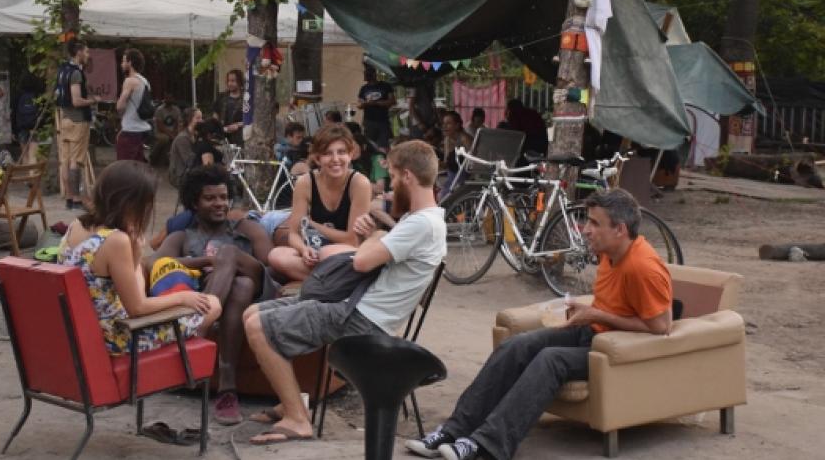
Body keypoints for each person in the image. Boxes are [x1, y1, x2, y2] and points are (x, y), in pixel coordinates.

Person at [405, 189, 672, 460]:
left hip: (612, 350)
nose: (585, 230)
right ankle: (454, 430)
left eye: (595, 223)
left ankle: (486, 445)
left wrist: (598, 316)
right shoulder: (608, 250)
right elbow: (612, 302)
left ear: (620, 230)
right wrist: (586, 311)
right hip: (591, 332)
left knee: (550, 359)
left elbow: (661, 327)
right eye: (587, 221)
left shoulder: (643, 267)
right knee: (516, 345)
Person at [243, 139, 447, 444]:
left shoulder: (421, 224)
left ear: (407, 175)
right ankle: (294, 401)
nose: (389, 186)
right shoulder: (421, 220)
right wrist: (375, 232)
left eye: (391, 176)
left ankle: (298, 419)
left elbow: (363, 261)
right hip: (356, 308)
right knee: (253, 312)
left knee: (258, 327)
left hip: (363, 319)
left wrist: (372, 233)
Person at [148, 164, 279, 425]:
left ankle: (198, 327)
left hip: (258, 293)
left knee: (230, 256)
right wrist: (207, 264)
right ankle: (227, 391)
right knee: (238, 286)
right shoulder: (182, 236)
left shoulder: (246, 229)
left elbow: (272, 267)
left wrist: (224, 261)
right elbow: (152, 264)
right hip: (230, 297)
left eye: (223, 197)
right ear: (194, 203)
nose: (219, 203)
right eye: (210, 198)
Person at [59, 160, 221, 358]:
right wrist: (182, 297)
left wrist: (134, 248)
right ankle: (188, 363)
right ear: (132, 203)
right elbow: (137, 307)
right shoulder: (116, 241)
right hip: (116, 336)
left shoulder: (76, 225)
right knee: (211, 304)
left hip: (83, 330)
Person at [267, 124, 372, 284]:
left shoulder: (359, 183)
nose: (335, 159)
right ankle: (332, 283)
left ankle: (323, 282)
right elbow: (294, 233)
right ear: (317, 158)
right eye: (328, 153)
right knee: (276, 255)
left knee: (328, 253)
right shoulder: (306, 182)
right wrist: (303, 250)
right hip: (317, 253)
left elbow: (352, 240)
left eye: (341, 152)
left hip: (347, 254)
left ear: (351, 154)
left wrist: (313, 225)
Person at [57, 39, 100, 210]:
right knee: (75, 161)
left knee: (66, 161)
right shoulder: (75, 73)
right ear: (79, 52)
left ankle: (68, 197)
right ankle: (75, 198)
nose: (88, 55)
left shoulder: (62, 70)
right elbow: (76, 100)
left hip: (65, 119)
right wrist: (92, 100)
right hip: (77, 120)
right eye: (87, 52)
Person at [115, 48, 152, 163]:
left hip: (130, 130)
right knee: (138, 166)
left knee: (124, 167)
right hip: (142, 129)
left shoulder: (129, 81)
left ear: (130, 63)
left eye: (123, 61)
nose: (121, 64)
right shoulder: (144, 81)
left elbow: (120, 106)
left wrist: (121, 115)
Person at [357, 65, 396, 149]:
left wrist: (376, 103)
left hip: (383, 121)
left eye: (368, 73)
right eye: (365, 73)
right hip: (368, 121)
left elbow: (392, 101)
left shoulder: (385, 86)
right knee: (370, 145)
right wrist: (366, 104)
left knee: (384, 146)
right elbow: (359, 105)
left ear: (374, 74)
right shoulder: (364, 88)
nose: (366, 75)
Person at [440, 111, 473, 200]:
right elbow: (447, 163)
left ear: (457, 125)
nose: (444, 126)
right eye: (444, 123)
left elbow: (474, 162)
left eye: (448, 123)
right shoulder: (447, 139)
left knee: (444, 197)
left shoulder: (465, 139)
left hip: (464, 177)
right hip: (453, 176)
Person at [14, 72, 46, 165]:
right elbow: (42, 112)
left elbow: (14, 113)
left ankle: (25, 179)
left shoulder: (18, 96)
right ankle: (32, 177)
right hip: (34, 127)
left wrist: (15, 130)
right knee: (33, 155)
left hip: (22, 128)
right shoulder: (37, 96)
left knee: (24, 155)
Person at [168, 107, 202, 190]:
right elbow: (189, 161)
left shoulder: (194, 135)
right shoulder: (182, 138)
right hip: (180, 175)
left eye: (201, 118)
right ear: (189, 119)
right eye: (198, 118)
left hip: (188, 171)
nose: (201, 121)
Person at [213, 69, 245, 146]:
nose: (230, 83)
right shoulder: (221, 97)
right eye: (228, 81)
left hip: (240, 138)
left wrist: (238, 125)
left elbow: (251, 119)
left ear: (240, 81)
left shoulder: (246, 99)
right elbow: (215, 117)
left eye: (233, 81)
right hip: (222, 137)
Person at [151, 96, 182, 166]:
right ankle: (153, 155)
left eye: (171, 98)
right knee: (165, 139)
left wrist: (175, 132)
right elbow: (160, 126)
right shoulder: (159, 110)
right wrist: (171, 135)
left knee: (181, 137)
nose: (169, 99)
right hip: (160, 132)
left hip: (172, 132)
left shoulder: (176, 110)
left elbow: (177, 123)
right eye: (167, 98)